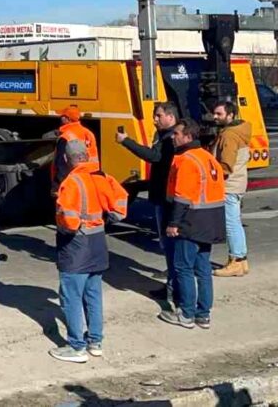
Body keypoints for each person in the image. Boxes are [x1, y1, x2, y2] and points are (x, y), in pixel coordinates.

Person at [50, 140, 129, 363]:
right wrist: (111, 218)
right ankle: (95, 342)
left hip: (77, 245)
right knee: (93, 294)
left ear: (66, 159)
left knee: (72, 296)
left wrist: (65, 229)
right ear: (85, 156)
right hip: (98, 241)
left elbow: (68, 216)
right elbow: (121, 200)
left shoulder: (71, 182)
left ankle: (76, 347)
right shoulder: (102, 176)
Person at [161, 118, 226, 329]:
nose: (173, 136)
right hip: (210, 220)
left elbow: (182, 197)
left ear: (188, 136)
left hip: (191, 221)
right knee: (203, 269)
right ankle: (203, 314)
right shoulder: (207, 157)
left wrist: (173, 223)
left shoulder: (187, 160)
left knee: (183, 267)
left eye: (177, 134)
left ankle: (187, 314)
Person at [116, 102, 179, 306]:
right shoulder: (167, 136)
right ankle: (173, 285)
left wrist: (127, 142)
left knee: (170, 245)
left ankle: (174, 289)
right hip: (164, 196)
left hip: (166, 197)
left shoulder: (170, 139)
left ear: (170, 117)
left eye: (158, 115)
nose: (155, 119)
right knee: (169, 246)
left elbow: (153, 156)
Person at [211, 100, 252, 277]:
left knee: (231, 224)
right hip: (238, 182)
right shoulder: (240, 131)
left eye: (219, 114)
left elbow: (226, 166)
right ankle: (241, 260)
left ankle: (236, 261)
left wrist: (210, 173)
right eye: (215, 113)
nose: (215, 117)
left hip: (229, 185)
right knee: (235, 223)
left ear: (231, 115)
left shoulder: (229, 135)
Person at [52, 105, 100, 191]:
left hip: (70, 181)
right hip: (90, 178)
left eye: (63, 116)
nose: (60, 118)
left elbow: (61, 164)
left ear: (67, 119)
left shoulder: (65, 137)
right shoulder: (88, 133)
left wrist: (57, 185)